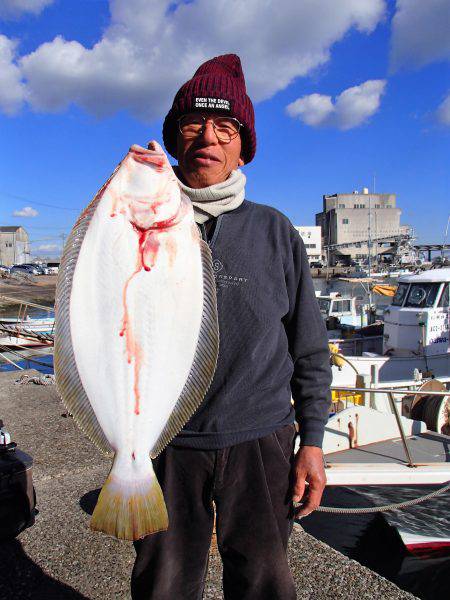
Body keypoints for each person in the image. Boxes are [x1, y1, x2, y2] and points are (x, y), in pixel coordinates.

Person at [131, 54, 332, 600]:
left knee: (264, 581)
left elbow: (310, 349)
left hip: (261, 437)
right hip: (163, 442)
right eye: (194, 124)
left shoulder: (275, 231)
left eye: (226, 128)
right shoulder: (135, 221)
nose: (209, 139)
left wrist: (311, 441)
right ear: (174, 138)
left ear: (244, 148)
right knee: (162, 584)